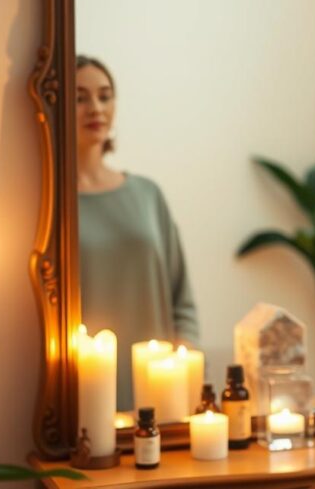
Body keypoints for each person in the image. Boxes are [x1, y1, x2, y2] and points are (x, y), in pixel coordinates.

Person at [75, 55, 199, 412]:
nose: (95, 108)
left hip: (161, 394)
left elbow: (182, 300)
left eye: (104, 95)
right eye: (80, 97)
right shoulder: (52, 204)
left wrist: (186, 374)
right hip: (87, 397)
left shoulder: (147, 194)